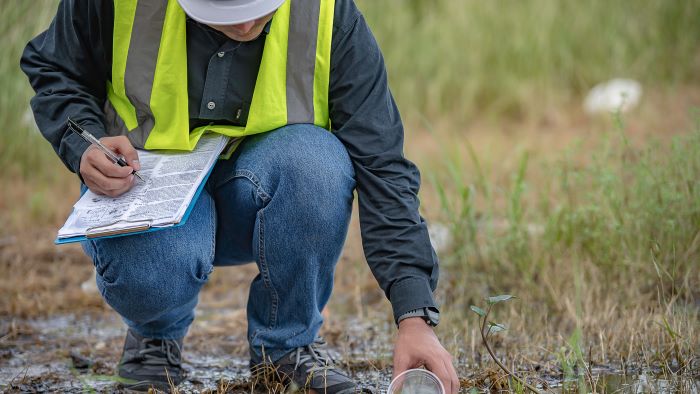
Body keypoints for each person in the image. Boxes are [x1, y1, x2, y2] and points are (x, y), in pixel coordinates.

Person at [21, 0, 459, 392]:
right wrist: (84, 141)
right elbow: (55, 68)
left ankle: (286, 349)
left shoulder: (329, 14)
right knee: (151, 272)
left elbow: (382, 165)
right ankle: (153, 337)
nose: (247, 23)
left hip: (260, 196)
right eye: (226, 10)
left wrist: (413, 316)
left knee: (317, 163)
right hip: (145, 200)